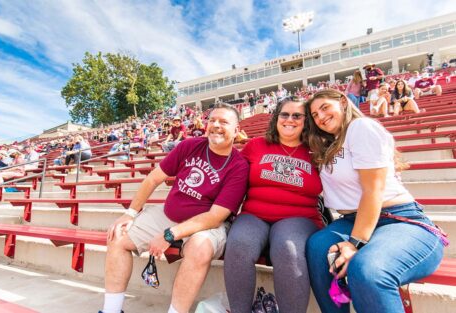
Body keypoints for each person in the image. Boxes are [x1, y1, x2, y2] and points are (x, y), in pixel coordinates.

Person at [304, 89, 445, 313]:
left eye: (324, 108)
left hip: (399, 219)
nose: (320, 117)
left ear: (343, 102)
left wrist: (355, 243)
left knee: (367, 269)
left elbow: (373, 191)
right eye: (314, 115)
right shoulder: (329, 144)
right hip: (351, 219)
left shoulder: (360, 127)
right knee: (317, 247)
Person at [101, 103, 249, 313]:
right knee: (117, 235)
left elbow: (215, 217)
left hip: (205, 225)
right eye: (212, 120)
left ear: (236, 130)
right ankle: (111, 310)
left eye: (224, 122)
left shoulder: (239, 166)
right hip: (168, 214)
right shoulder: (189, 146)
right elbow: (153, 179)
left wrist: (170, 235)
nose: (215, 125)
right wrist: (130, 213)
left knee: (200, 249)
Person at [224, 97, 323, 313]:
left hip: (299, 217)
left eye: (297, 115)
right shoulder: (256, 145)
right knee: (239, 243)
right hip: (254, 214)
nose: (290, 120)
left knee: (287, 248)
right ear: (276, 118)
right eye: (284, 114)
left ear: (306, 121)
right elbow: (231, 177)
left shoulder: (317, 150)